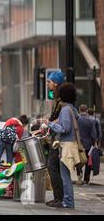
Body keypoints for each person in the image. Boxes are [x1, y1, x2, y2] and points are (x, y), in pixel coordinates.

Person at [44, 83, 82, 209]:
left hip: (66, 146)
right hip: (70, 145)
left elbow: (65, 128)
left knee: (65, 177)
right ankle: (67, 201)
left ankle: (68, 202)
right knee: (65, 176)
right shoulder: (72, 108)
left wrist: (49, 124)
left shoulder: (65, 110)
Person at [45, 70, 65, 208]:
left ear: (56, 83)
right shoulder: (56, 98)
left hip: (58, 139)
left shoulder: (61, 100)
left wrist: (50, 123)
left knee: (53, 167)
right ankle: (58, 197)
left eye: (49, 82)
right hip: (54, 136)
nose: (47, 84)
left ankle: (59, 198)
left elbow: (61, 119)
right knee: (53, 168)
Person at [76, 105, 98, 185]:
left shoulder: (77, 119)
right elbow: (93, 134)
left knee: (79, 160)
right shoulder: (90, 120)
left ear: (79, 110)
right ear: (86, 110)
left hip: (79, 144)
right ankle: (86, 179)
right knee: (88, 162)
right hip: (88, 144)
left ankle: (79, 173)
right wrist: (95, 142)